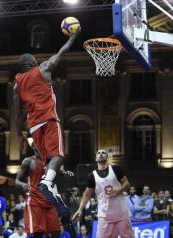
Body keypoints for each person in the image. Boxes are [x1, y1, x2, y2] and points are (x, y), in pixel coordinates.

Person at [13, 25, 81, 221]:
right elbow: (62, 52)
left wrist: (19, 135)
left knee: (50, 162)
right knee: (58, 155)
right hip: (49, 119)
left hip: (33, 127)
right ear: (32, 62)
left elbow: (18, 115)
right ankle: (47, 182)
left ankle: (53, 189)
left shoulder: (17, 85)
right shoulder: (42, 68)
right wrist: (73, 37)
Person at [15, 137, 73, 237]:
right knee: (38, 233)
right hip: (35, 201)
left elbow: (61, 174)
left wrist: (65, 174)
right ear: (33, 146)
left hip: (50, 201)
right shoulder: (28, 161)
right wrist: (23, 184)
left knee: (56, 231)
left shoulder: (53, 162)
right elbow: (17, 181)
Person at [72, 149, 133, 238]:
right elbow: (86, 195)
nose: (101, 154)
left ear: (107, 157)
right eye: (99, 153)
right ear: (96, 158)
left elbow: (127, 184)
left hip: (122, 213)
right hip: (105, 216)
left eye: (103, 153)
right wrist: (80, 209)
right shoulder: (91, 176)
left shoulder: (115, 169)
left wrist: (119, 190)